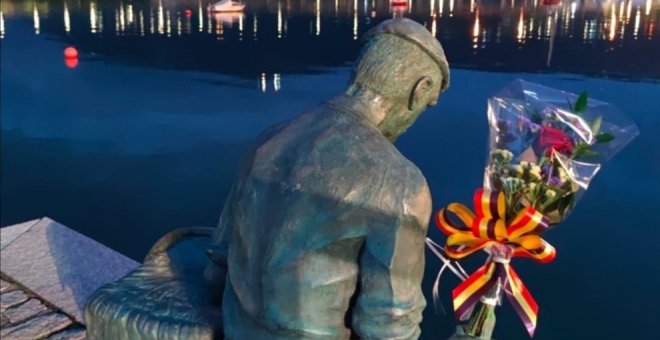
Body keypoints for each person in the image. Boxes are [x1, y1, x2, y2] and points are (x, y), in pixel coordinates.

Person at [205, 18, 450, 339]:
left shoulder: (270, 139)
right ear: (420, 91)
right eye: (425, 107)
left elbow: (216, 270)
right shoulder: (400, 183)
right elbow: (388, 327)